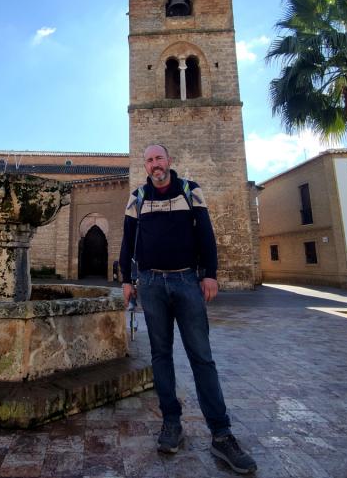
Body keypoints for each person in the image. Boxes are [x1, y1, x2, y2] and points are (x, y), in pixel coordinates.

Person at [119, 144, 257, 475]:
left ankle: (221, 435)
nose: (155, 164)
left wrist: (210, 274)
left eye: (159, 158)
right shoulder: (137, 197)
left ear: (169, 162)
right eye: (149, 160)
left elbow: (206, 235)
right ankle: (171, 423)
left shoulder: (189, 190)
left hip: (186, 283)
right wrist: (127, 279)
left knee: (201, 357)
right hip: (150, 285)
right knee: (160, 356)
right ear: (146, 166)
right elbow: (127, 241)